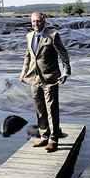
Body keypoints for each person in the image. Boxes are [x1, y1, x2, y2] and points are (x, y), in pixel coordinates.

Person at [19, 12, 71, 152]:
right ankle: (44, 136)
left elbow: (63, 55)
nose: (36, 24)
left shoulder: (52, 36)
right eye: (34, 22)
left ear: (44, 21)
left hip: (50, 79)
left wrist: (66, 72)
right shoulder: (29, 36)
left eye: (38, 21)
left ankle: (53, 140)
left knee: (51, 110)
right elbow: (28, 56)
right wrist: (24, 72)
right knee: (39, 109)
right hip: (34, 79)